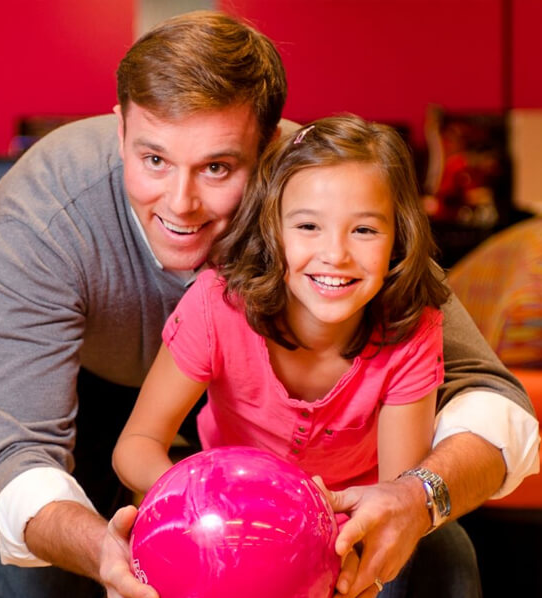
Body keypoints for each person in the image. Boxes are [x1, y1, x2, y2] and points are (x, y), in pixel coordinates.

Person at [0, 10, 540, 598]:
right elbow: (21, 453)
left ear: (269, 149)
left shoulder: (326, 194)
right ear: (119, 131)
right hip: (93, 401)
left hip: (294, 462)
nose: (182, 202)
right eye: (153, 160)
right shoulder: (43, 214)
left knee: (441, 557)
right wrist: (153, 530)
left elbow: (489, 394)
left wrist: (416, 499)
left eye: (218, 167)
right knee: (37, 574)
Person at [114, 115, 452, 595]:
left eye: (364, 231)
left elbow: (394, 498)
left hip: (348, 532)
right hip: (224, 526)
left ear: (399, 236)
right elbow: (136, 444)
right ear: (273, 230)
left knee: (448, 558)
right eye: (309, 226)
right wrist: (198, 504)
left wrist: (351, 561)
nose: (335, 254)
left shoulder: (413, 331)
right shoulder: (218, 305)